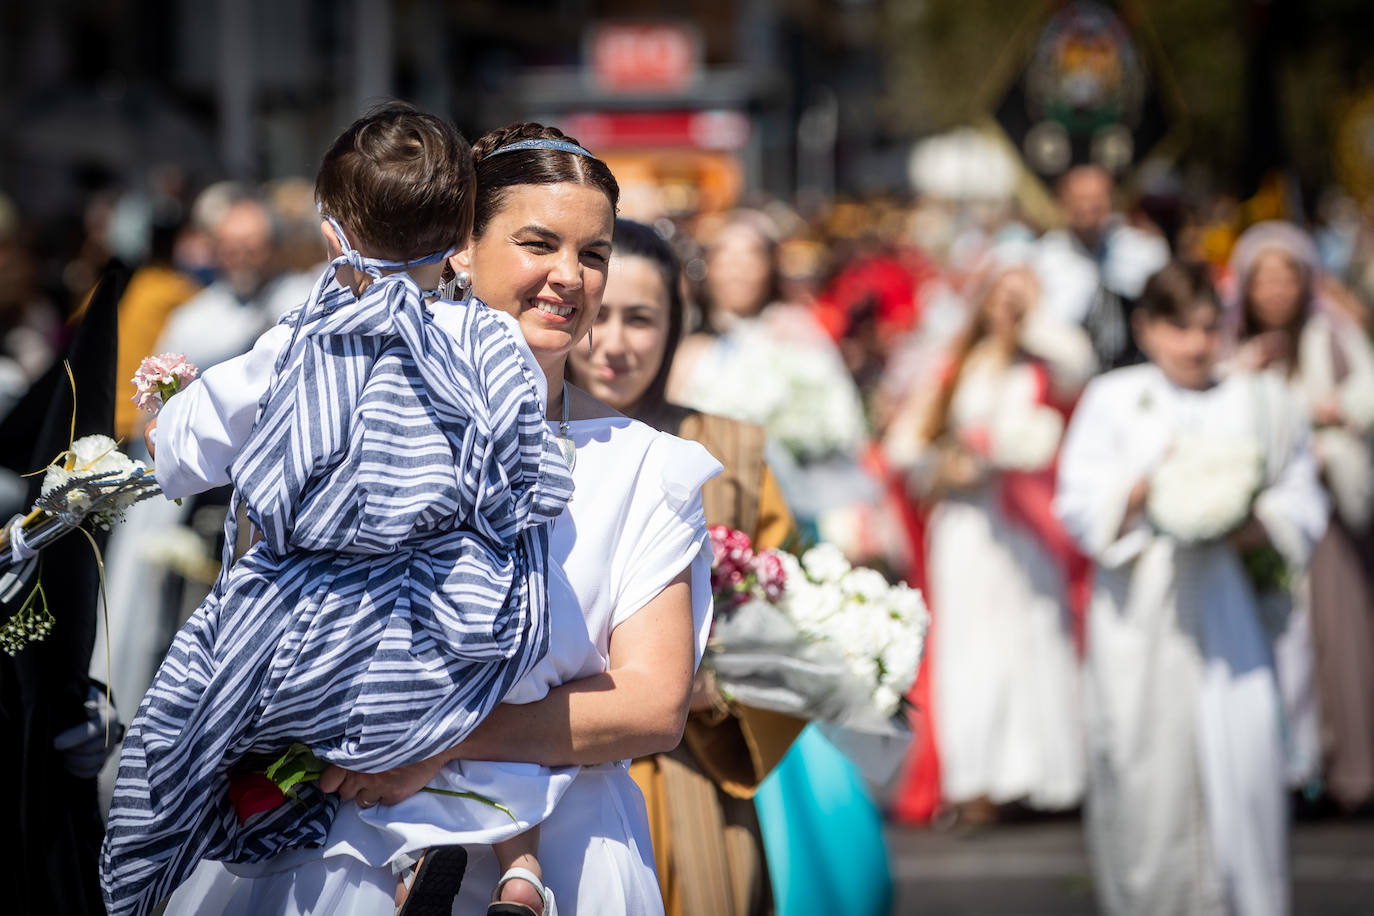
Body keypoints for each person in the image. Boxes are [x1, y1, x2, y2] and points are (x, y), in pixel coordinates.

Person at [151, 121, 720, 916]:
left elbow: (651, 705)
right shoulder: (339, 403)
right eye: (538, 243)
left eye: (593, 255)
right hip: (345, 844)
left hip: (569, 851)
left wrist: (430, 743)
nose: (569, 276)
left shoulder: (646, 467)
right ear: (461, 246)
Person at [102, 105, 577, 916]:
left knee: (195, 725)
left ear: (332, 236)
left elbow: (181, 455)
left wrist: (170, 413)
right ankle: (423, 851)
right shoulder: (496, 345)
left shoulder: (294, 346)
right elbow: (524, 464)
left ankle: (215, 832)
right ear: (462, 237)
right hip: (445, 623)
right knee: (454, 703)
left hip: (312, 619)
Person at [1056, 261, 1328, 916]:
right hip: (1144, 618)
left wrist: (1252, 525)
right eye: (1179, 328)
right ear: (1147, 329)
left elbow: (1299, 492)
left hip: (1230, 611)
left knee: (1246, 767)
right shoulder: (1115, 397)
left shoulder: (1257, 398)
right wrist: (1143, 493)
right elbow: (1079, 504)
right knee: (1148, 772)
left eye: (1209, 327)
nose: (1196, 345)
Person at [567, 217, 800, 916]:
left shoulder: (730, 454)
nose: (612, 344)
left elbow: (793, 626)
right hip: (548, 772)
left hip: (690, 776)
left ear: (676, 327)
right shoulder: (523, 445)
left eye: (640, 319)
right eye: (597, 316)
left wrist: (712, 683)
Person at [883, 252, 1092, 824]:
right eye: (1002, 296)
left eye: (1021, 299)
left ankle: (1042, 775)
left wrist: (1037, 318)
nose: (1009, 309)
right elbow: (906, 444)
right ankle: (977, 781)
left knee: (1033, 637)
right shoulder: (957, 366)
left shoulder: (1047, 365)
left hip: (1027, 526)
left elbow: (1079, 378)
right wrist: (943, 466)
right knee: (971, 646)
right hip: (967, 526)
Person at [1227, 221, 1374, 809]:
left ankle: (1345, 769)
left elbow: (1362, 397)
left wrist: (1330, 424)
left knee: (1336, 638)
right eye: (1264, 280)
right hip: (1259, 519)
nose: (1276, 292)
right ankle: (1281, 771)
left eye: (1287, 277)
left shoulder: (1331, 338)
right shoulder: (1234, 347)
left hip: (1324, 515)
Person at [1033, 164, 1170, 373]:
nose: (1090, 206)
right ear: (1062, 203)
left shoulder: (1143, 251)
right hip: (1071, 378)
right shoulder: (1043, 259)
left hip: (1134, 371)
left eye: (1098, 198)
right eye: (1080, 199)